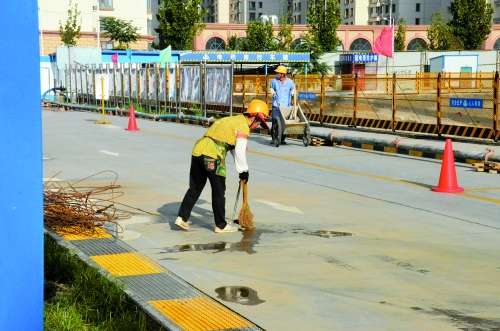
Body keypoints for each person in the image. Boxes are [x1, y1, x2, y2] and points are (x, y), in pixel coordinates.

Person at [175, 99, 269, 233]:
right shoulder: (243, 127)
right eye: (259, 122)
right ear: (254, 117)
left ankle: (181, 218)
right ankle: (221, 225)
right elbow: (239, 151)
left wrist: (240, 168)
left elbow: (230, 147)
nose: (258, 126)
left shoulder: (231, 120)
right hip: (213, 156)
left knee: (195, 187)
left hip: (198, 151)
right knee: (219, 190)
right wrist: (243, 171)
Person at [270, 65, 295, 145]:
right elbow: (271, 88)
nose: (277, 74)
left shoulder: (290, 82)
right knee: (275, 122)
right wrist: (272, 91)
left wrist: (293, 91)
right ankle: (274, 138)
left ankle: (283, 139)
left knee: (284, 123)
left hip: (286, 106)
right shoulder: (274, 81)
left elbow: (293, 88)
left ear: (283, 74)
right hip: (276, 105)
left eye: (278, 73)